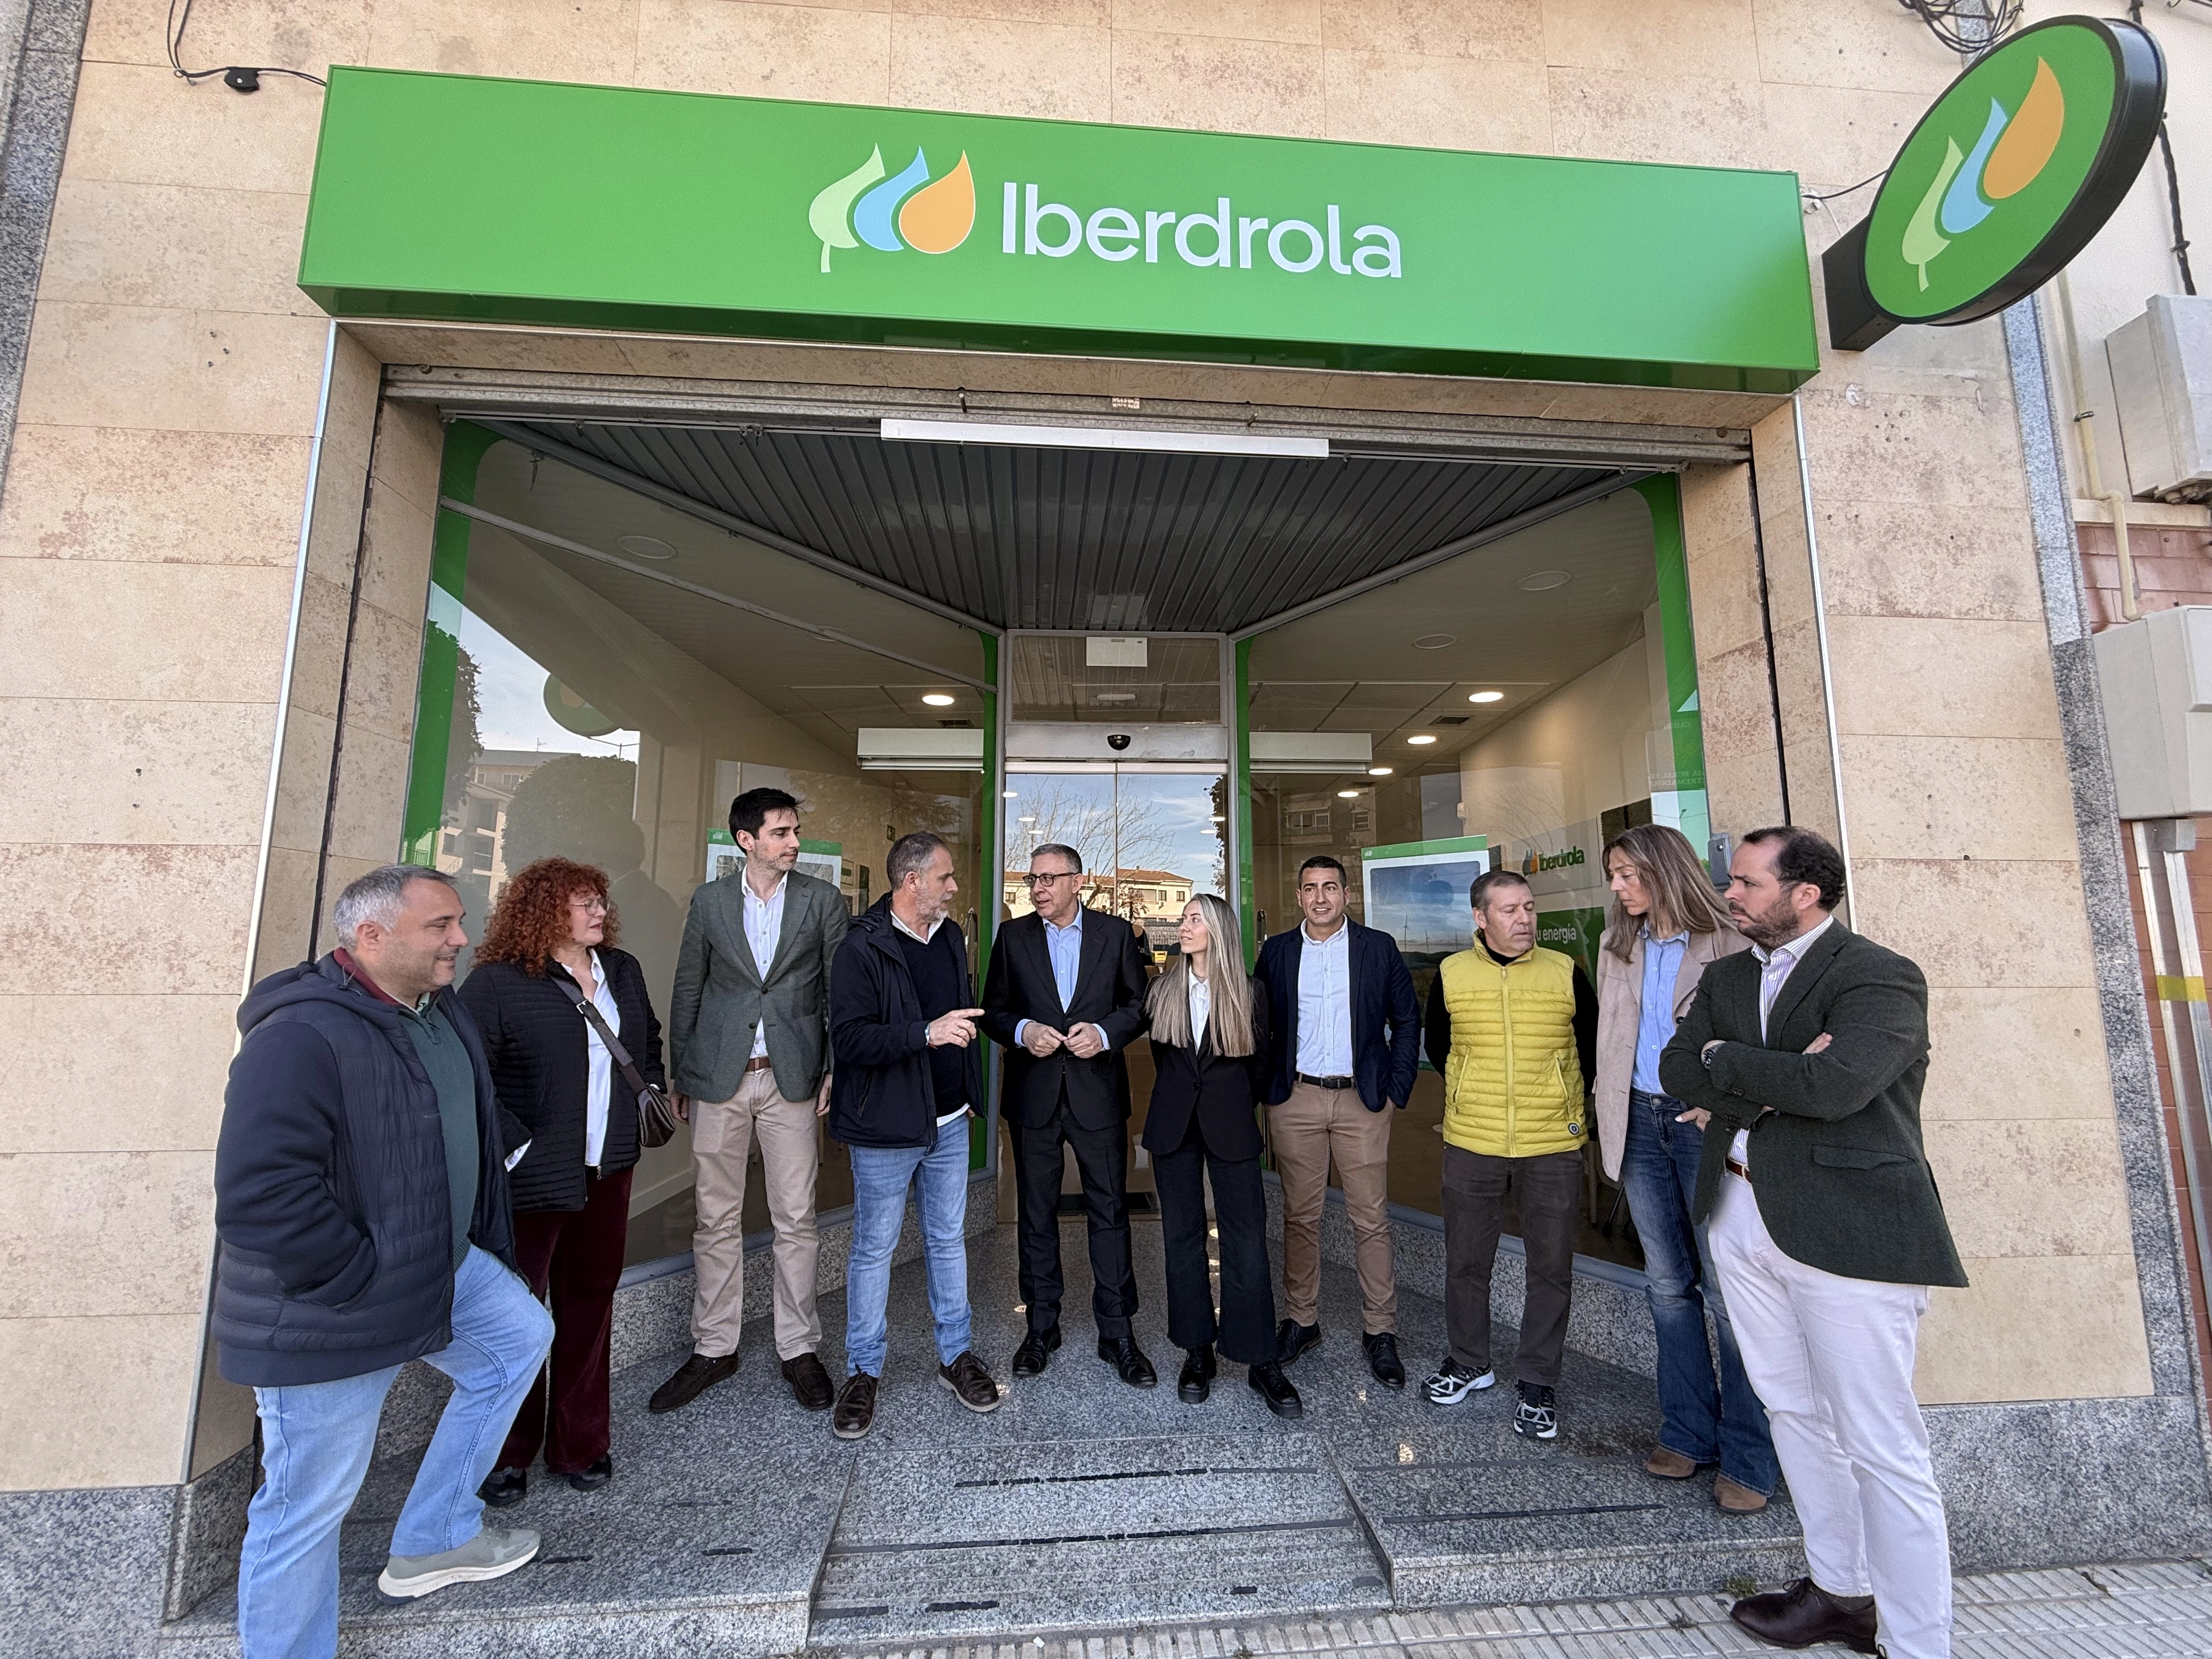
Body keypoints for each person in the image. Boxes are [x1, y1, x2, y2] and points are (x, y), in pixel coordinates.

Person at [213, 865, 554, 1659]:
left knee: (517, 1342)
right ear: (370, 936)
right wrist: (354, 1277)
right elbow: (259, 1190)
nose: (460, 940)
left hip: (440, 1263)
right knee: (306, 1505)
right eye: (440, 926)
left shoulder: (438, 1011)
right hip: (335, 1303)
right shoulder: (301, 1034)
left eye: (459, 922)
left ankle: (434, 1538)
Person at [1660, 827, 1966, 1659]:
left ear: (1806, 893)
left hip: (1850, 1229)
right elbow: (1679, 1070)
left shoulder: (1878, 975)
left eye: (1748, 884)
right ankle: (1840, 1591)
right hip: (1741, 1218)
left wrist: (1735, 1068)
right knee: (1794, 1411)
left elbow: (1836, 1088)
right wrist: (1756, 1066)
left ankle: (1918, 1642)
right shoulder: (1727, 975)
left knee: (1880, 1443)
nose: (1730, 895)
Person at [461, 857, 664, 1508]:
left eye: (600, 899)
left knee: (588, 1307)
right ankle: (508, 1453)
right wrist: (515, 1149)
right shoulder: (497, 984)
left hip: (607, 1169)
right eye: (584, 903)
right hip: (531, 1178)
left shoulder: (622, 971)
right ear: (544, 911)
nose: (599, 911)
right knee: (517, 1318)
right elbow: (470, 1077)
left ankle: (580, 1445)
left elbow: (648, 1040)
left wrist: (650, 1091)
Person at [1592, 825, 1775, 1515]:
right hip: (1638, 1121)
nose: (1617, 886)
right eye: (1613, 874)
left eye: (1626, 873)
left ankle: (1751, 1457)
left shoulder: (1730, 941)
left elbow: (1760, 1040)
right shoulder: (1619, 945)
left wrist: (1727, 1104)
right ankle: (1687, 1434)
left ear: (1662, 869)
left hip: (1707, 1126)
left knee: (1732, 1294)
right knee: (1668, 1285)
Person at [654, 787, 849, 1417]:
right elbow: (690, 984)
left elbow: (837, 992)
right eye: (782, 833)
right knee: (715, 1218)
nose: (795, 843)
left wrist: (833, 1069)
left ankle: (799, 1348)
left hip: (792, 1077)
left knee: (797, 1219)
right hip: (719, 1075)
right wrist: (681, 1071)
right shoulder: (711, 901)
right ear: (747, 840)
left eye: (795, 831)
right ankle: (715, 1347)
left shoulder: (821, 900)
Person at [824, 831, 1002, 1438]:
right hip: (886, 1129)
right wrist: (924, 1034)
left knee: (947, 1239)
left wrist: (970, 1095)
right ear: (912, 882)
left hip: (950, 1122)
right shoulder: (860, 948)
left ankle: (956, 1358)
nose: (955, 887)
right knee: (875, 1248)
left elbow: (963, 1016)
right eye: (946, 878)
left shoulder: (951, 936)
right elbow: (849, 1040)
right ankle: (862, 1372)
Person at [1421, 867, 1598, 1442]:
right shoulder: (1449, 975)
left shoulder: (1566, 973)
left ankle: (1539, 1381)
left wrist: (1566, 1104)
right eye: (1510, 910)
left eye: (1529, 908)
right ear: (1480, 918)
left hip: (1552, 1143)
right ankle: (1470, 1361)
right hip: (1473, 1140)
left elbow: (1592, 1053)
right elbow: (1440, 1048)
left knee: (1552, 1267)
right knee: (1466, 1261)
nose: (1524, 919)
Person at [980, 843, 1156, 1388]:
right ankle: (1040, 1327)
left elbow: (1139, 1006)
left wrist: (1105, 1034)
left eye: (1049, 879)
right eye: (1034, 879)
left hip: (1097, 1095)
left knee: (1110, 1210)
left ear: (1078, 883)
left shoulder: (1114, 935)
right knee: (1035, 1214)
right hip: (1033, 1097)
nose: (1037, 889)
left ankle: (1118, 1331)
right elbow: (994, 1009)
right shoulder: (1013, 937)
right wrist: (1021, 1031)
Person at [1251, 854, 1421, 1387]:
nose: (1320, 897)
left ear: (1346, 895)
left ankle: (1380, 1331)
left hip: (1361, 1101)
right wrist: (1265, 1090)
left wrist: (1396, 1089)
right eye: (1310, 888)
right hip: (1296, 1098)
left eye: (1330, 887)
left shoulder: (1379, 948)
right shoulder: (1277, 952)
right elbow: (1260, 1026)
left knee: (1370, 1218)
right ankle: (1302, 1322)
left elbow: (1407, 1018)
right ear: (1298, 897)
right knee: (1300, 1218)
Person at [1141, 894, 1302, 1418]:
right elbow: (1165, 1060)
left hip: (1231, 1127)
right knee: (1181, 1240)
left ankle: (1259, 1360)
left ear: (1217, 931)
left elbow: (1261, 1065)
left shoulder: (1251, 993)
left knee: (1247, 1242)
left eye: (1193, 920)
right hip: (1174, 1130)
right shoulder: (1163, 988)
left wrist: (1229, 1106)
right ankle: (1196, 1352)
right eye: (1184, 919)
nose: (1183, 927)